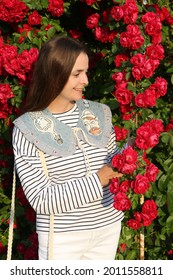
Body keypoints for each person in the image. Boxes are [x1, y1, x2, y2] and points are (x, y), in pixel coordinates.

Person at [12, 36, 124, 260]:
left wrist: (130, 156)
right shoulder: (27, 129)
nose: (85, 81)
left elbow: (114, 166)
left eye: (86, 72)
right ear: (54, 74)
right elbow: (41, 199)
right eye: (76, 74)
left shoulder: (100, 113)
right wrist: (97, 180)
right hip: (62, 238)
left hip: (108, 227)